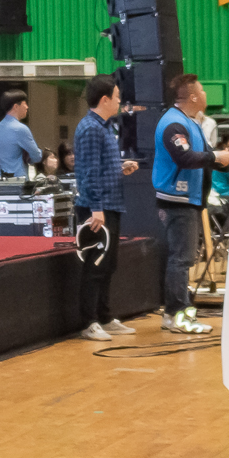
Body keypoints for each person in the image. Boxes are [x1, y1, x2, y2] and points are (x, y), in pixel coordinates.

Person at [151, 71, 229, 334]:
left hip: (189, 200)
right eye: (203, 91)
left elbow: (203, 159)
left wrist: (221, 161)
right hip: (177, 200)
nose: (206, 95)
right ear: (193, 96)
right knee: (181, 259)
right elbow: (186, 159)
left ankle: (176, 313)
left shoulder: (190, 122)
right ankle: (176, 315)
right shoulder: (174, 125)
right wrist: (216, 156)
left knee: (184, 258)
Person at [69, 74, 137, 342]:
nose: (120, 101)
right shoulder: (89, 129)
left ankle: (106, 317)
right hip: (96, 209)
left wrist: (121, 169)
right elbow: (87, 173)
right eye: (118, 97)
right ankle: (89, 322)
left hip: (112, 204)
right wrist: (96, 208)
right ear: (105, 99)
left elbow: (100, 168)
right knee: (95, 265)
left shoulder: (107, 127)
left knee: (109, 265)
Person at [0, 87, 48, 178]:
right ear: (16, 106)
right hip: (18, 181)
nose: (27, 107)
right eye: (24, 103)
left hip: (1, 180)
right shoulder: (20, 129)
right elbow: (37, 157)